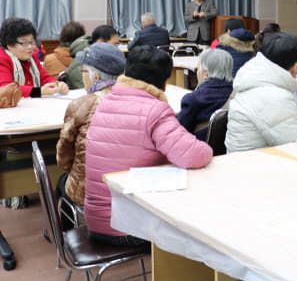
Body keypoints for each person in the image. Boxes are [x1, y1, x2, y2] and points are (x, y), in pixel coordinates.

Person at [84, 45, 213, 246]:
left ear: (126, 73)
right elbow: (194, 156)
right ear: (164, 84)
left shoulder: (105, 101)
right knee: (202, 228)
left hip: (97, 219)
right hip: (127, 226)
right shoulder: (154, 110)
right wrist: (208, 148)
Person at [55, 42, 126, 207]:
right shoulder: (138, 99)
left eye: (84, 71)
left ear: (97, 76)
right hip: (128, 186)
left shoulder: (82, 105)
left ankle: (63, 231)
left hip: (89, 189)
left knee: (61, 183)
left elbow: (63, 158)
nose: (82, 76)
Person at [226, 32, 297, 152]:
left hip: (247, 162)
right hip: (259, 167)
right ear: (294, 66)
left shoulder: (256, 81)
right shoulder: (274, 97)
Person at [0, 17, 69, 97]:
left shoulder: (32, 57)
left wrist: (58, 84)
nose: (30, 47)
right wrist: (38, 91)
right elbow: (5, 88)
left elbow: (44, 77)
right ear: (9, 44)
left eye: (32, 42)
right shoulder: (2, 58)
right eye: (24, 43)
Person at [177, 48, 234, 139]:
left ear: (205, 73)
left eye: (198, 68)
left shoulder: (193, 100)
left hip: (200, 150)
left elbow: (177, 132)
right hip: (230, 149)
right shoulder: (238, 94)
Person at [65, 25, 120, 90]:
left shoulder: (108, 59)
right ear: (100, 42)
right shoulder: (83, 61)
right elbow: (87, 89)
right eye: (114, 44)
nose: (117, 48)